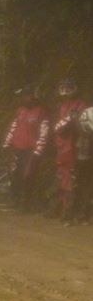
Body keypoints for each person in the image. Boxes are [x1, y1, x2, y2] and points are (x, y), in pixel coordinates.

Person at [3, 85, 51, 212]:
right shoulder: (20, 111)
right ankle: (16, 201)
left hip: (31, 150)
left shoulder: (41, 111)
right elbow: (13, 127)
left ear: (33, 97)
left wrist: (38, 150)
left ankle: (26, 204)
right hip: (17, 148)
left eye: (27, 96)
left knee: (27, 176)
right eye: (24, 96)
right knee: (15, 175)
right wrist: (7, 143)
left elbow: (44, 133)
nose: (25, 99)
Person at [51, 79, 88, 224]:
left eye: (68, 88)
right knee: (62, 178)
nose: (65, 92)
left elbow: (81, 126)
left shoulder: (81, 105)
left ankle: (70, 211)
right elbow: (59, 127)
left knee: (71, 180)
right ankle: (61, 207)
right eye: (63, 88)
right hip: (62, 147)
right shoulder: (62, 106)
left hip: (75, 148)